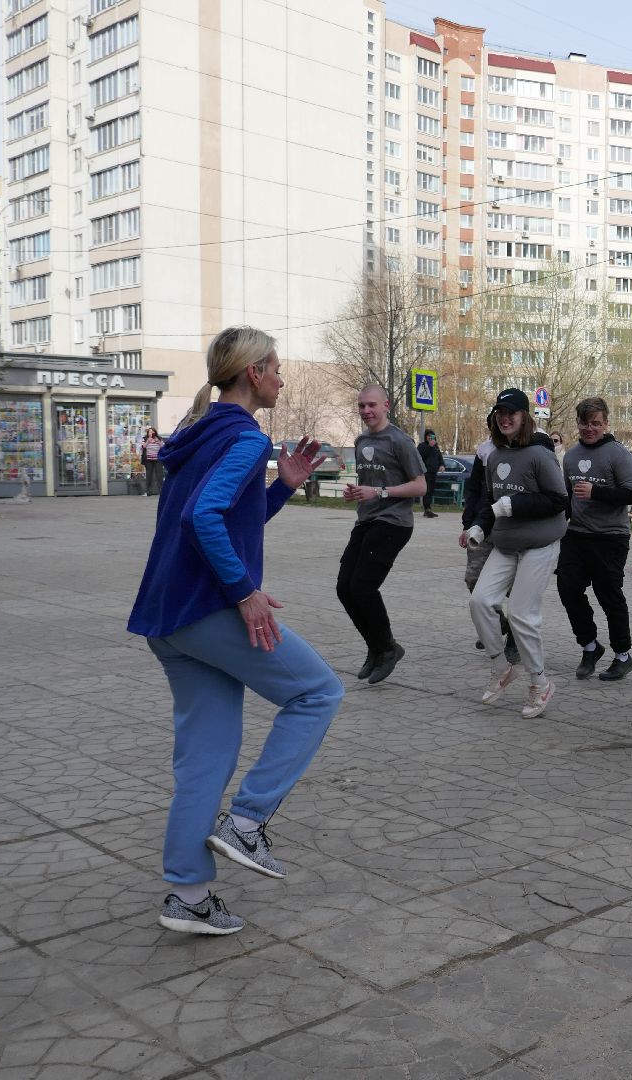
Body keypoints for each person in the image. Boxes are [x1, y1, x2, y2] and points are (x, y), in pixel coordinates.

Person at [128, 326, 342, 935]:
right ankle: (247, 822)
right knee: (318, 692)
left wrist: (283, 490)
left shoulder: (200, 431)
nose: (281, 377)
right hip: (208, 609)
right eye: (275, 367)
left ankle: (189, 897)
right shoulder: (245, 436)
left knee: (206, 758)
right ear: (253, 373)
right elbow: (203, 517)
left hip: (167, 619)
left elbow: (224, 514)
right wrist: (245, 594)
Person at [468, 388, 570, 718]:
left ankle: (540, 684)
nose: (505, 418)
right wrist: (478, 528)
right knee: (480, 601)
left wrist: (512, 505)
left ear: (524, 417)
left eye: (512, 412)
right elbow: (490, 501)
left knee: (522, 614)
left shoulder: (541, 454)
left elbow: (560, 500)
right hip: (505, 544)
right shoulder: (494, 456)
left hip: (539, 544)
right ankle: (502, 669)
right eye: (500, 413)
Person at [338, 385, 426, 685]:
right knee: (343, 588)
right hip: (367, 520)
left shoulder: (400, 441)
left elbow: (420, 486)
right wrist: (357, 493)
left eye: (372, 405)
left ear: (386, 405)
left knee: (362, 587)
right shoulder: (361, 440)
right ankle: (375, 648)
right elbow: (370, 484)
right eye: (361, 406)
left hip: (394, 522)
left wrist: (380, 492)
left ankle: (388, 648)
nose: (366, 411)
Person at [558, 397, 632, 681]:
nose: (589, 428)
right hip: (576, 535)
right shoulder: (570, 455)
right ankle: (590, 646)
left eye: (596, 423)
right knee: (568, 589)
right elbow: (568, 498)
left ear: (606, 423)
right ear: (578, 424)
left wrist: (597, 493)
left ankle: (623, 655)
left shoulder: (618, 454)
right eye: (584, 423)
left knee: (609, 597)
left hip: (610, 537)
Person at [459, 436, 518, 665]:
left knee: (515, 589)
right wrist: (467, 525)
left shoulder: (527, 447)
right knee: (473, 579)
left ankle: (514, 639)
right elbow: (473, 489)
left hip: (512, 527)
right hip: (482, 526)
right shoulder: (484, 450)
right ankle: (497, 623)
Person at [418, 430, 443, 518]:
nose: (430, 437)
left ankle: (428, 508)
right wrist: (429, 446)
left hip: (434, 472)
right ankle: (427, 509)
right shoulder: (422, 446)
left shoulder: (436, 446)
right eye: (428, 436)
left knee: (431, 490)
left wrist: (442, 465)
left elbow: (439, 457)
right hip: (425, 472)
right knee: (427, 490)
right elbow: (420, 457)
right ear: (426, 437)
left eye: (432, 436)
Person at [141, 426, 165, 496]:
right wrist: (148, 441)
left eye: (153, 431)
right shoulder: (145, 439)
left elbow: (163, 447)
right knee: (149, 476)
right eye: (150, 432)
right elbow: (143, 446)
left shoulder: (159, 438)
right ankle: (148, 491)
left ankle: (162, 491)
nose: (151, 433)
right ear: (148, 433)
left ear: (155, 432)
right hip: (148, 460)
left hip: (158, 459)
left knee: (160, 475)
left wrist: (158, 441)